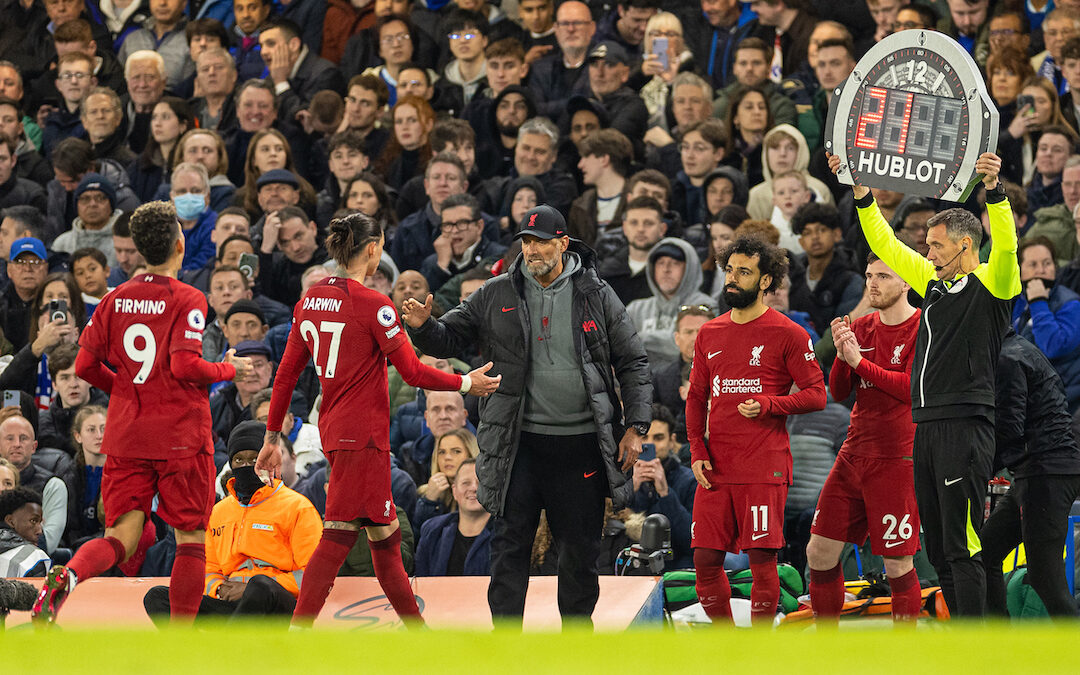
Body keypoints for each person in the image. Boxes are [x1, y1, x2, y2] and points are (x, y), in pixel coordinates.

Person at [402, 204, 651, 628]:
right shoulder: (497, 291)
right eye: (527, 243)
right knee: (508, 547)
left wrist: (635, 427)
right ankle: (506, 649)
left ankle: (576, 644)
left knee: (578, 552)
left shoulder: (595, 292)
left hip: (581, 445)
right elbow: (449, 338)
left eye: (541, 242)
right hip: (520, 444)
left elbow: (633, 362)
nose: (533, 251)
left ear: (563, 244)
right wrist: (424, 327)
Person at [255, 211, 501, 629]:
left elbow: (285, 373)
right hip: (363, 437)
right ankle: (296, 636)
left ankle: (418, 634)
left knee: (384, 538)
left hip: (335, 430)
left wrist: (272, 434)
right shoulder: (373, 304)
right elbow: (413, 372)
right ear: (372, 249)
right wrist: (464, 383)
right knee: (336, 536)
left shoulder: (309, 299)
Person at [32, 201, 254, 626]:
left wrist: (130, 391)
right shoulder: (188, 297)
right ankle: (180, 640)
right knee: (190, 538)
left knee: (120, 536)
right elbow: (185, 366)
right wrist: (231, 367)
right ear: (178, 245)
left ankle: (70, 574)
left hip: (128, 433)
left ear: (136, 248)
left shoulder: (115, 297)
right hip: (179, 435)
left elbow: (83, 365)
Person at [827, 150, 1021, 618]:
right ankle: (960, 648)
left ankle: (978, 651)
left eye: (936, 246)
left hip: (966, 425)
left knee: (962, 545)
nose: (927, 254)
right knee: (936, 551)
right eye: (928, 246)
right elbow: (887, 244)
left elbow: (1009, 246)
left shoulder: (995, 283)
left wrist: (993, 193)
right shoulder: (933, 285)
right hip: (926, 427)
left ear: (966, 247)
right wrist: (861, 192)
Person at [686, 234, 826, 626]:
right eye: (729, 270)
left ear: (766, 281)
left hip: (763, 466)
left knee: (763, 563)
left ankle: (760, 651)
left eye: (744, 272)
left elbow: (818, 394)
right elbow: (696, 398)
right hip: (715, 466)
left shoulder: (789, 333)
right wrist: (697, 451)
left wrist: (770, 404)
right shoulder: (709, 332)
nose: (732, 279)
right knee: (704, 561)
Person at [805, 253, 923, 625]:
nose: (872, 284)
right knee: (818, 551)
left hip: (897, 458)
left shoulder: (923, 327)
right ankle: (828, 646)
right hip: (853, 453)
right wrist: (842, 355)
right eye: (869, 275)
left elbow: (911, 390)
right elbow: (838, 391)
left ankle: (905, 653)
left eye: (883, 277)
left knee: (896, 562)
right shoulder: (864, 326)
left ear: (907, 283)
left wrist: (859, 363)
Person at [142, 421, 323, 625]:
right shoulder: (218, 512)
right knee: (157, 597)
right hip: (230, 601)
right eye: (239, 460)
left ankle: (225, 649)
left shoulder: (298, 507)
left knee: (260, 586)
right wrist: (218, 588)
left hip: (278, 604)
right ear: (231, 463)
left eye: (254, 459)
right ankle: (220, 642)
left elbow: (312, 576)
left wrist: (249, 589)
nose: (246, 466)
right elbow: (208, 569)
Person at [983, 332, 1080, 618]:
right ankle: (999, 647)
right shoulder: (1017, 349)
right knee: (986, 553)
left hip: (1046, 472)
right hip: (1036, 471)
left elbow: (1010, 430)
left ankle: (1071, 654)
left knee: (1045, 578)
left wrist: (981, 470)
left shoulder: (1008, 357)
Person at [630, 404, 696, 569]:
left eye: (658, 438)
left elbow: (692, 542)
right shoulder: (622, 481)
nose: (650, 444)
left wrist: (665, 493)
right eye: (644, 438)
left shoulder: (690, 481)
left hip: (675, 569)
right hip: (631, 568)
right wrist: (630, 490)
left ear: (672, 441)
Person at [414, 458, 493, 576]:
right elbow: (420, 582)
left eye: (481, 482)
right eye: (466, 483)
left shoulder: (505, 534)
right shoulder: (432, 531)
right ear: (454, 491)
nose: (474, 488)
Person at [0, 486, 50, 577]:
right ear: (11, 521)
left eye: (40, 523)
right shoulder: (34, 558)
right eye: (33, 521)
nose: (40, 531)